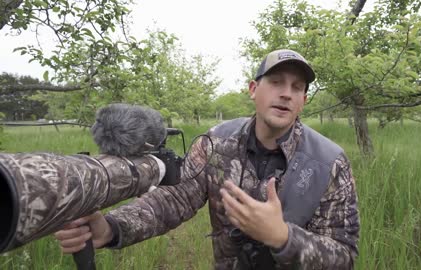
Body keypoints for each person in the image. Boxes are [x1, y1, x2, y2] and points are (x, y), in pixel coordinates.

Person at [54, 49, 360, 269]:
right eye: (276, 82)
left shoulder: (329, 162)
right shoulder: (215, 142)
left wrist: (283, 238)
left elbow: (343, 255)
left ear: (304, 100)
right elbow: (173, 199)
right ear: (254, 89)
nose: (286, 94)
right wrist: (111, 228)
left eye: (297, 88)